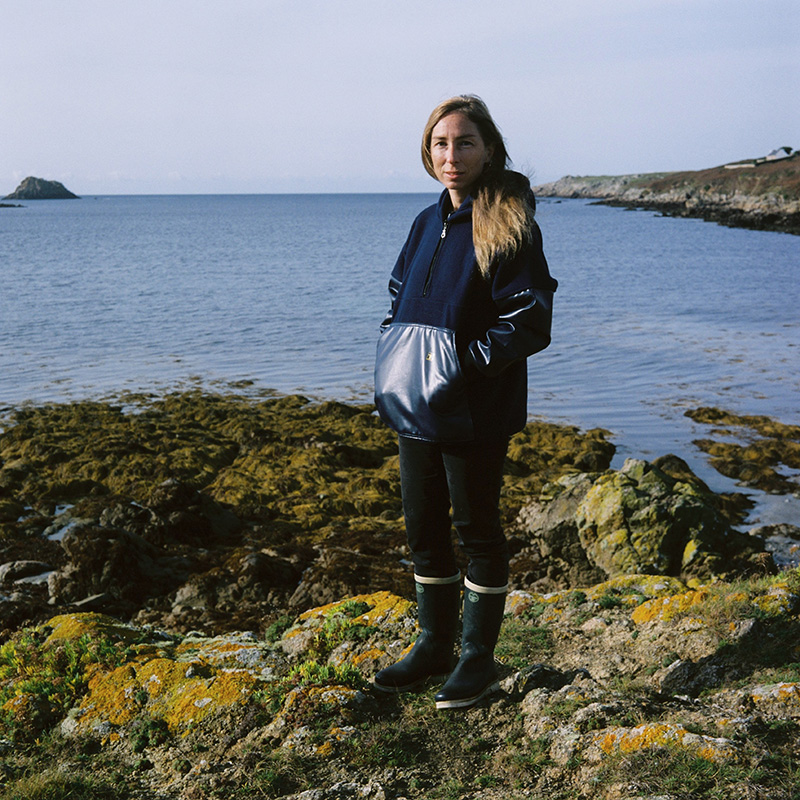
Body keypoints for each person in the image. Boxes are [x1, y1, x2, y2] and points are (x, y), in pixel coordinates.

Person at [372, 95, 557, 710]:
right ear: (428, 153)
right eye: (441, 144)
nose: (452, 156)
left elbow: (529, 321)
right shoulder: (426, 222)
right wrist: (395, 353)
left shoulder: (509, 222)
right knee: (423, 527)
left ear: (489, 149)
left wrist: (458, 367)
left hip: (476, 408)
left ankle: (477, 657)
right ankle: (433, 643)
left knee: (475, 528)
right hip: (415, 406)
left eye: (465, 143)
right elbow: (398, 295)